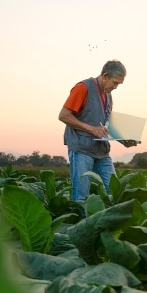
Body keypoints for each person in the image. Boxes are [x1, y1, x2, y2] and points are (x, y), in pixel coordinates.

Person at [58, 60, 137, 201]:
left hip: (101, 151)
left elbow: (104, 125)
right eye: (115, 82)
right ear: (105, 76)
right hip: (81, 149)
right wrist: (91, 129)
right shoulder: (83, 88)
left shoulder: (108, 94)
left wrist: (123, 138)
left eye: (119, 84)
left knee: (114, 191)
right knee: (81, 196)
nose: (116, 87)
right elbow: (63, 115)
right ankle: (78, 223)